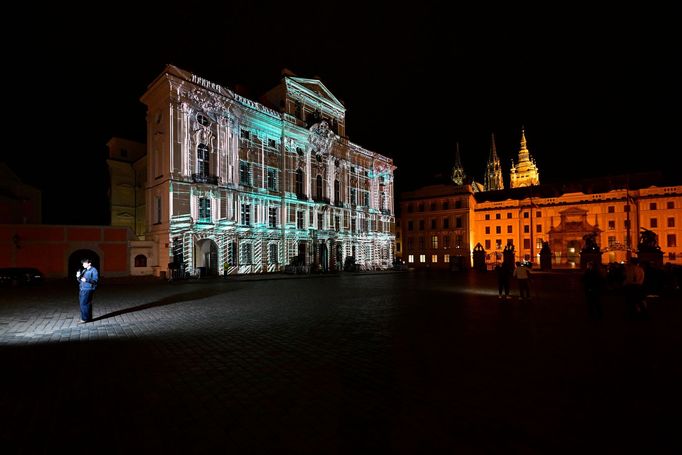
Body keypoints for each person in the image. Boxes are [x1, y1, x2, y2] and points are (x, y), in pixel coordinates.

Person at [76, 258, 98, 323]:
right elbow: (80, 280)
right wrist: (78, 277)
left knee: (83, 304)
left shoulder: (93, 270)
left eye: (84, 263)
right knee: (87, 304)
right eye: (82, 263)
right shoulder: (84, 270)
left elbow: (95, 281)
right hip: (82, 288)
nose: (83, 265)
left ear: (89, 263)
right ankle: (88, 318)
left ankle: (84, 319)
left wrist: (86, 280)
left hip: (88, 289)